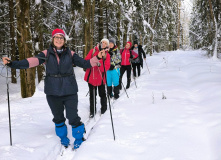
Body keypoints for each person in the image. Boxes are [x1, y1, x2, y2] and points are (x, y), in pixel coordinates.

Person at [2, 28, 104, 150]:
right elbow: (31, 62)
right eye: (56, 37)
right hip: (52, 91)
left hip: (70, 90)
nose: (59, 40)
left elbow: (85, 63)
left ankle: (79, 137)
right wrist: (12, 64)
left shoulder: (70, 54)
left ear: (64, 40)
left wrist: (98, 57)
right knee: (58, 117)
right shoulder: (46, 54)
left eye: (61, 37)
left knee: (73, 117)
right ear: (53, 39)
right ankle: (63, 137)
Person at [84, 39, 110, 118]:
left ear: (107, 45)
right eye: (102, 42)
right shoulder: (93, 51)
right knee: (92, 95)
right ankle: (93, 111)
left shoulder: (107, 55)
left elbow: (106, 67)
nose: (103, 44)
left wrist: (100, 64)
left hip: (101, 79)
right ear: (100, 43)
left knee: (102, 94)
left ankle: (104, 109)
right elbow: (86, 62)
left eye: (105, 43)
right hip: (91, 78)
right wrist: (96, 58)